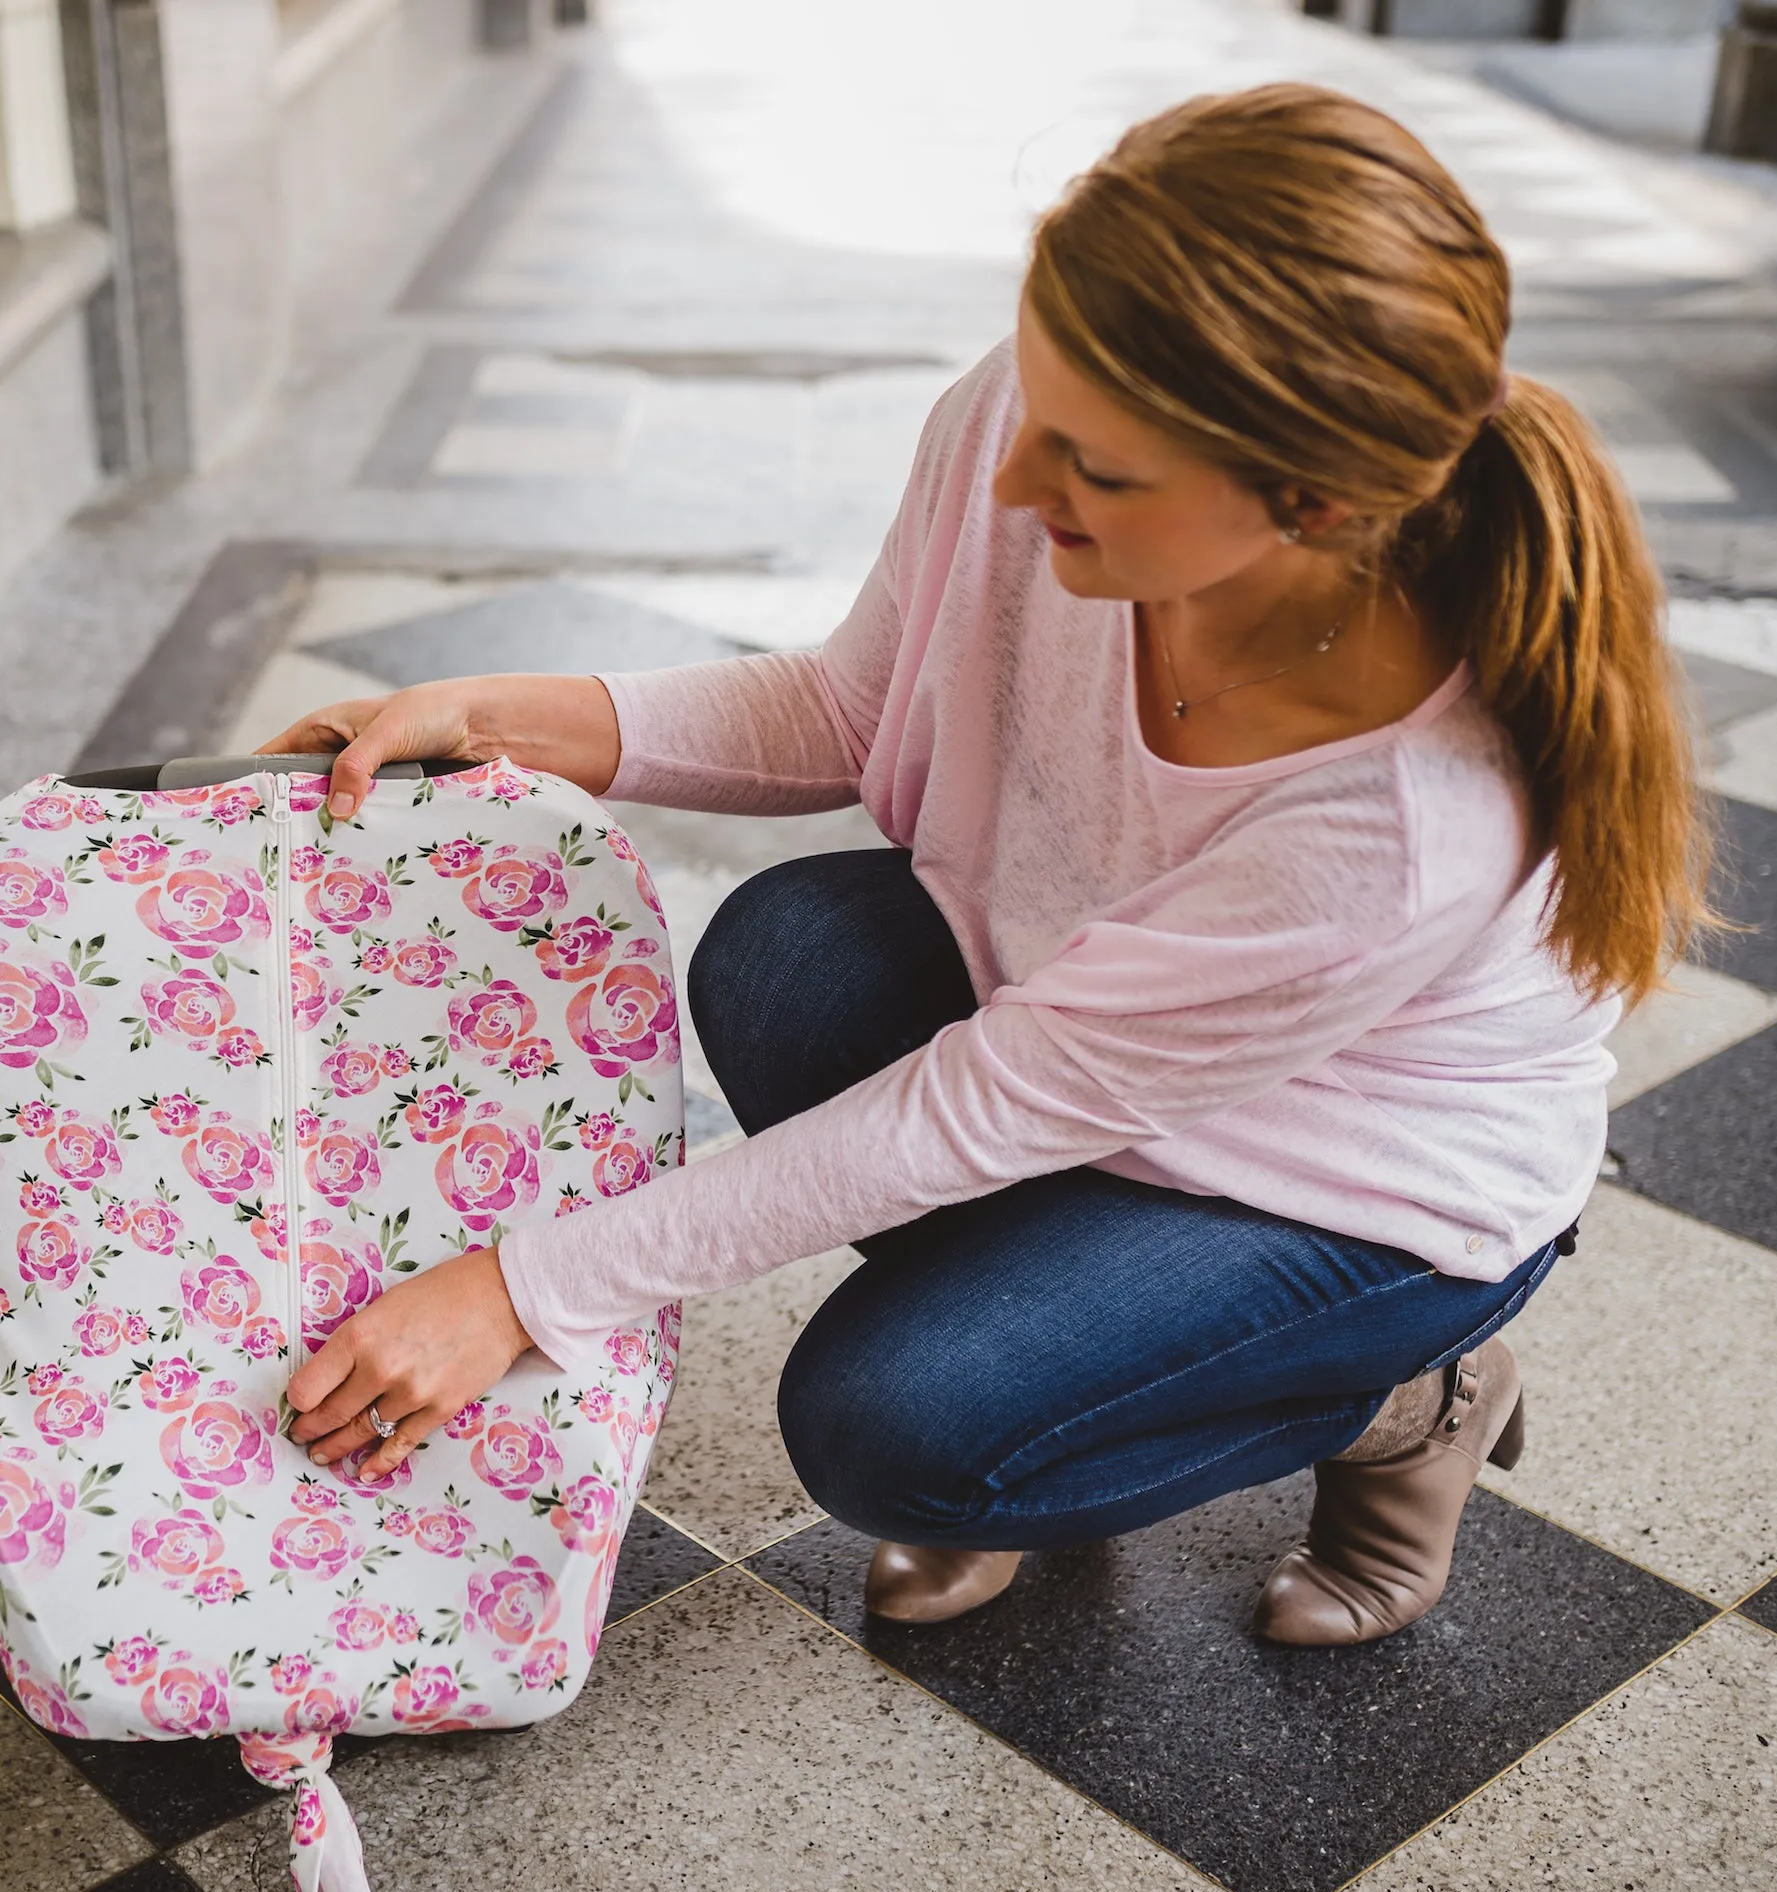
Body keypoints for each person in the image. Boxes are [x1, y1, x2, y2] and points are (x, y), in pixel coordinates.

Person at [264, 82, 1704, 1644]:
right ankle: (1059, 1394)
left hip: (1349, 1187)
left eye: (1095, 471)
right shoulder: (1044, 425)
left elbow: (989, 1103)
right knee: (788, 956)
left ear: (1317, 503)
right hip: (1094, 1053)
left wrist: (517, 1290)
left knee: (896, 1433)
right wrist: (501, 714)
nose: (1019, 487)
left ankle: (1410, 1401)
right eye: (1038, 411)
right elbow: (850, 700)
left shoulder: (1404, 826)